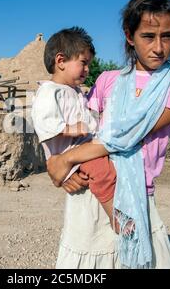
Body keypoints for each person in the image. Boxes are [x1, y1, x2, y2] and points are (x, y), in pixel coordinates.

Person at [46, 0, 170, 269]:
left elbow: (126, 135)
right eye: (148, 36)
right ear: (130, 36)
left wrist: (66, 159)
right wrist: (62, 168)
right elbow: (83, 130)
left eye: (168, 36)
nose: (159, 47)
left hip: (137, 195)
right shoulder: (107, 80)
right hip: (91, 192)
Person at [31, 26, 121, 234]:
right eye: (84, 63)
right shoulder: (48, 91)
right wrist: (68, 128)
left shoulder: (74, 91)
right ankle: (116, 218)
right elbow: (43, 120)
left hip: (82, 149)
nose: (88, 69)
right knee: (103, 172)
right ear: (61, 61)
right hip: (71, 153)